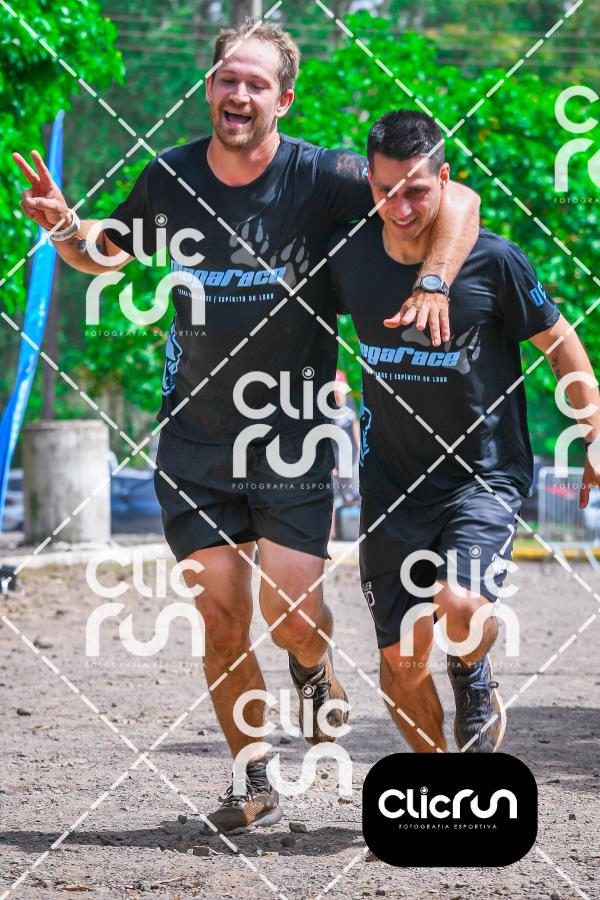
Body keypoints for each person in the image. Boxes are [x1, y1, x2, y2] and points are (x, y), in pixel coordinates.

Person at [13, 23, 480, 830]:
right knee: (223, 619)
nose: (238, 94)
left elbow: (458, 199)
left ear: (284, 98)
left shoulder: (327, 177)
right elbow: (104, 250)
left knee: (293, 618)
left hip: (292, 439)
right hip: (193, 441)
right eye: (228, 78)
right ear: (210, 87)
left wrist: (433, 281)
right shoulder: (171, 177)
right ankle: (252, 776)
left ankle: (314, 668)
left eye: (256, 83)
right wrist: (64, 227)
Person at [328, 109, 600, 753]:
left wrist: (592, 427)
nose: (400, 208)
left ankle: (473, 672)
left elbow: (560, 344)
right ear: (369, 183)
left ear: (445, 180)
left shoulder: (494, 260)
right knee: (400, 661)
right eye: (386, 191)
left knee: (459, 605)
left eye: (417, 191)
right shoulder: (350, 256)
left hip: (484, 475)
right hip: (391, 485)